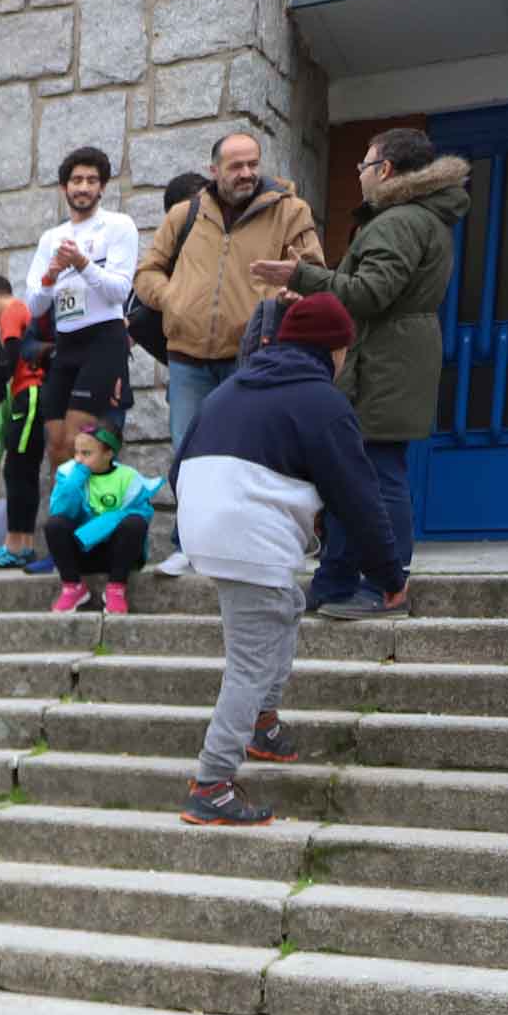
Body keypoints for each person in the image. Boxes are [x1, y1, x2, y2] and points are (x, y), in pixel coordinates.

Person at [172, 293, 391, 826]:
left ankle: (264, 724)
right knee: (248, 663)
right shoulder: (323, 400)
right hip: (248, 534)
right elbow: (359, 496)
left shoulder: (231, 388)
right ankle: (212, 782)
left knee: (287, 606)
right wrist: (389, 574)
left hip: (205, 525)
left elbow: (178, 464)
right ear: (334, 350)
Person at [256, 127, 469, 621]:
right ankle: (335, 580)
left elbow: (371, 292)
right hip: (391, 356)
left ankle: (384, 584)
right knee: (353, 474)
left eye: (364, 166)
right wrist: (315, 294)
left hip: (385, 362)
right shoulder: (421, 217)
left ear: (386, 170)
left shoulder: (397, 222)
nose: (360, 175)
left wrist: (302, 277)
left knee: (377, 474)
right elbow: (371, 292)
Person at [133, 134, 325, 469]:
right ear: (214, 170)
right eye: (236, 166)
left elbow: (314, 273)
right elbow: (147, 272)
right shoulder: (184, 214)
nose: (247, 173)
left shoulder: (290, 212)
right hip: (186, 361)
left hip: (253, 356)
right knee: (188, 458)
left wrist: (293, 291)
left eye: (253, 163)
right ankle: (191, 523)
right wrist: (173, 298)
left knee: (246, 456)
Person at [21, 146, 142, 515]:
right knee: (57, 446)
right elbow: (33, 305)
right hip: (66, 343)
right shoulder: (51, 237)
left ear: (102, 187)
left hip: (103, 340)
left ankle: (90, 537)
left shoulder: (118, 226)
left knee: (81, 444)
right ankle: (64, 536)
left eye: (92, 180)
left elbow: (119, 291)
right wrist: (52, 274)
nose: (84, 187)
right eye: (77, 180)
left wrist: (82, 263)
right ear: (64, 187)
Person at [42, 422, 161, 614]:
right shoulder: (69, 472)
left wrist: (103, 525)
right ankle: (73, 588)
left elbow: (142, 514)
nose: (78, 459)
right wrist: (74, 482)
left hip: (116, 555)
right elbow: (61, 510)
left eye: (86, 453)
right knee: (55, 524)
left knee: (135, 522)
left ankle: (116, 588)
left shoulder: (128, 477)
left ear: (108, 454)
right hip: (81, 552)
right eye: (76, 452)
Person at [0, 274, 50, 568]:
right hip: (31, 395)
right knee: (24, 472)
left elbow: (10, 356)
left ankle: (15, 546)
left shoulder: (10, 311)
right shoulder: (23, 310)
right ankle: (24, 545)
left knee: (17, 471)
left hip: (28, 394)